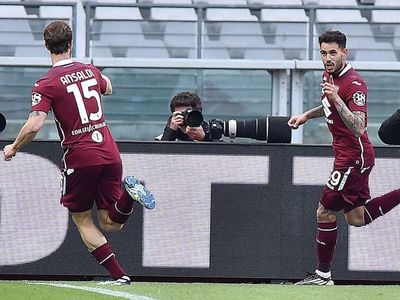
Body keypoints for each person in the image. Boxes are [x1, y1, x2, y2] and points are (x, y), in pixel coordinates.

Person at [2, 20, 155, 285]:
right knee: (110, 222)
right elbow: (108, 87)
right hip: (109, 150)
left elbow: (36, 124)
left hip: (81, 155)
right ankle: (130, 195)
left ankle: (118, 274)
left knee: (82, 219)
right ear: (71, 44)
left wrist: (13, 147)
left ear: (45, 45)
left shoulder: (45, 83)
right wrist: (89, 73)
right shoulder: (89, 70)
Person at [287, 30, 400, 285]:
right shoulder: (329, 75)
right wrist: (307, 115)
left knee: (325, 211)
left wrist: (337, 97)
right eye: (323, 53)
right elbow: (329, 105)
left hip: (353, 157)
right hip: (349, 155)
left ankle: (322, 275)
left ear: (344, 53)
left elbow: (359, 126)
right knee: (356, 218)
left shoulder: (355, 84)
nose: (327, 58)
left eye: (332, 53)